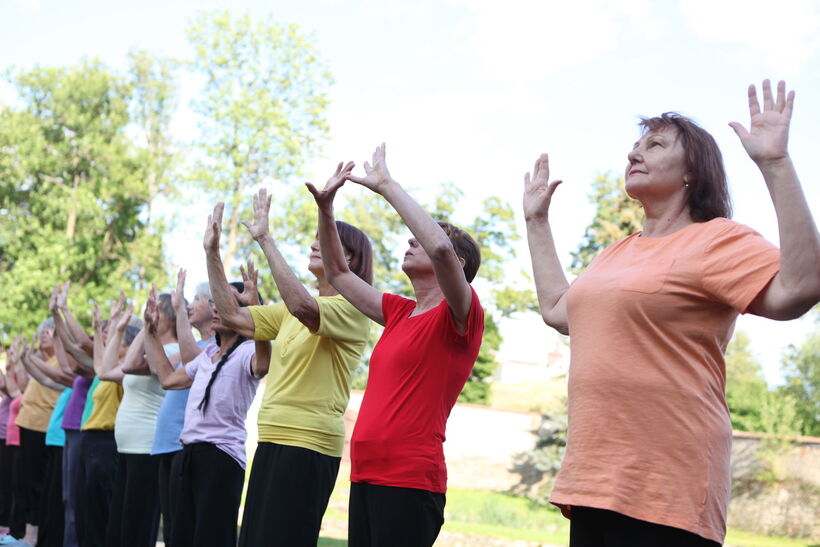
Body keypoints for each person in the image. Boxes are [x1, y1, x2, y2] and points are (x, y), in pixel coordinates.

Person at [521, 80, 820, 546]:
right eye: (634, 146)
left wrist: (775, 165)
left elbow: (800, 289)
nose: (633, 154)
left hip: (668, 488)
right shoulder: (615, 254)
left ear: (691, 173)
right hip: (594, 480)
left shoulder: (715, 239)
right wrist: (536, 222)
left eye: (654, 144)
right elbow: (559, 311)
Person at [307, 148, 485, 547]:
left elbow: (438, 247)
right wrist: (326, 211)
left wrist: (387, 186)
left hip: (409, 479)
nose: (411, 240)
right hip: (367, 473)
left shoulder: (462, 315)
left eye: (418, 239)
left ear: (456, 263)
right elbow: (337, 272)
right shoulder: (398, 312)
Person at [204, 192, 374, 547]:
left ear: (351, 260)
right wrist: (212, 254)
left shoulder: (353, 307)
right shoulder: (286, 313)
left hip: (308, 444)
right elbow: (232, 316)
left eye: (326, 240)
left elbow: (303, 307)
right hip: (271, 438)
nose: (315, 244)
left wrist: (265, 238)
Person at [146, 269, 269, 547]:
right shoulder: (208, 355)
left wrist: (256, 312)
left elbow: (263, 364)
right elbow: (167, 379)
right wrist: (150, 330)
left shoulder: (248, 351)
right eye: (214, 304)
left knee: (210, 538)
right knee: (179, 537)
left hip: (221, 458)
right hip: (188, 453)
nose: (215, 311)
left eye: (224, 306)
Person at [106, 294, 178, 547]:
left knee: (137, 522)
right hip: (126, 447)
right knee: (120, 521)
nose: (151, 312)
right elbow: (105, 371)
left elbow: (131, 365)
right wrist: (120, 330)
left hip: (146, 446)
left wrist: (147, 328)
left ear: (168, 317)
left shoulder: (174, 351)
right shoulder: (153, 345)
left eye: (156, 309)